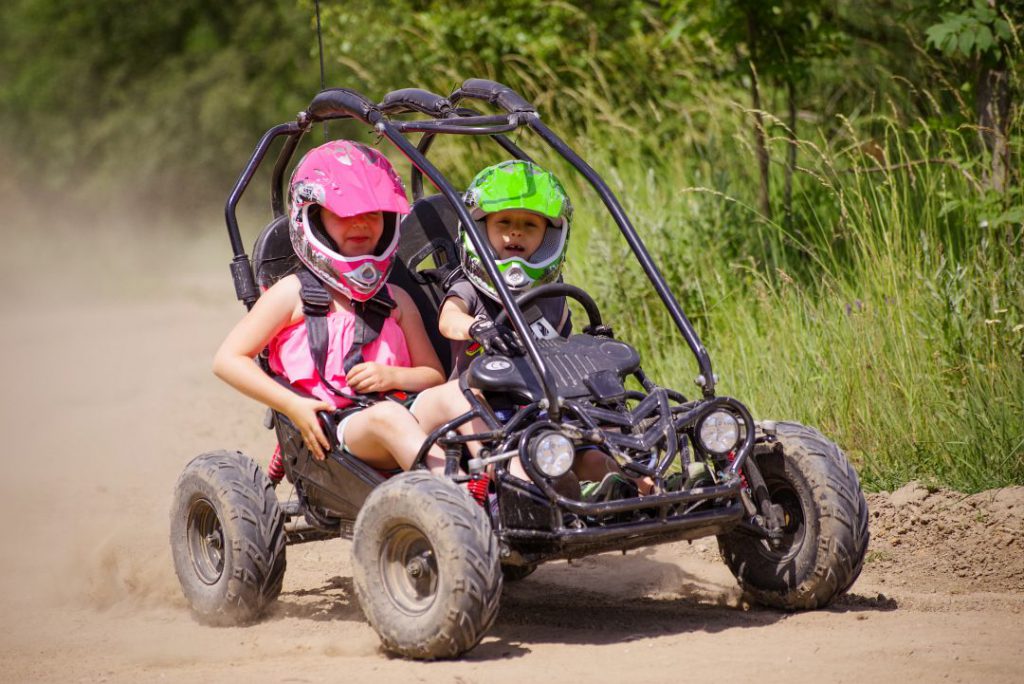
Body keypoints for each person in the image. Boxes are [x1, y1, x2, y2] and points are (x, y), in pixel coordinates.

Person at [212, 140, 450, 476]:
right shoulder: (292, 294)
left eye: (372, 214)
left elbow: (434, 376)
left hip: (404, 410)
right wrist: (291, 404)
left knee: (459, 396)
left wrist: (393, 375)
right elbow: (227, 360)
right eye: (345, 215)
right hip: (341, 431)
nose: (361, 224)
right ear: (316, 221)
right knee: (388, 417)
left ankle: (514, 484)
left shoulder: (396, 298)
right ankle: (461, 492)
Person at [412, 160, 638, 493]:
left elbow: (561, 348)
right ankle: (538, 489)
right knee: (544, 464)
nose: (515, 232)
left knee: (595, 454)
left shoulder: (552, 295)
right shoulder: (469, 289)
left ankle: (644, 486)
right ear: (479, 229)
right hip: (488, 409)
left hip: (544, 407)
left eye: (530, 225)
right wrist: (477, 329)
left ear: (549, 237)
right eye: (504, 222)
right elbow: (448, 319)